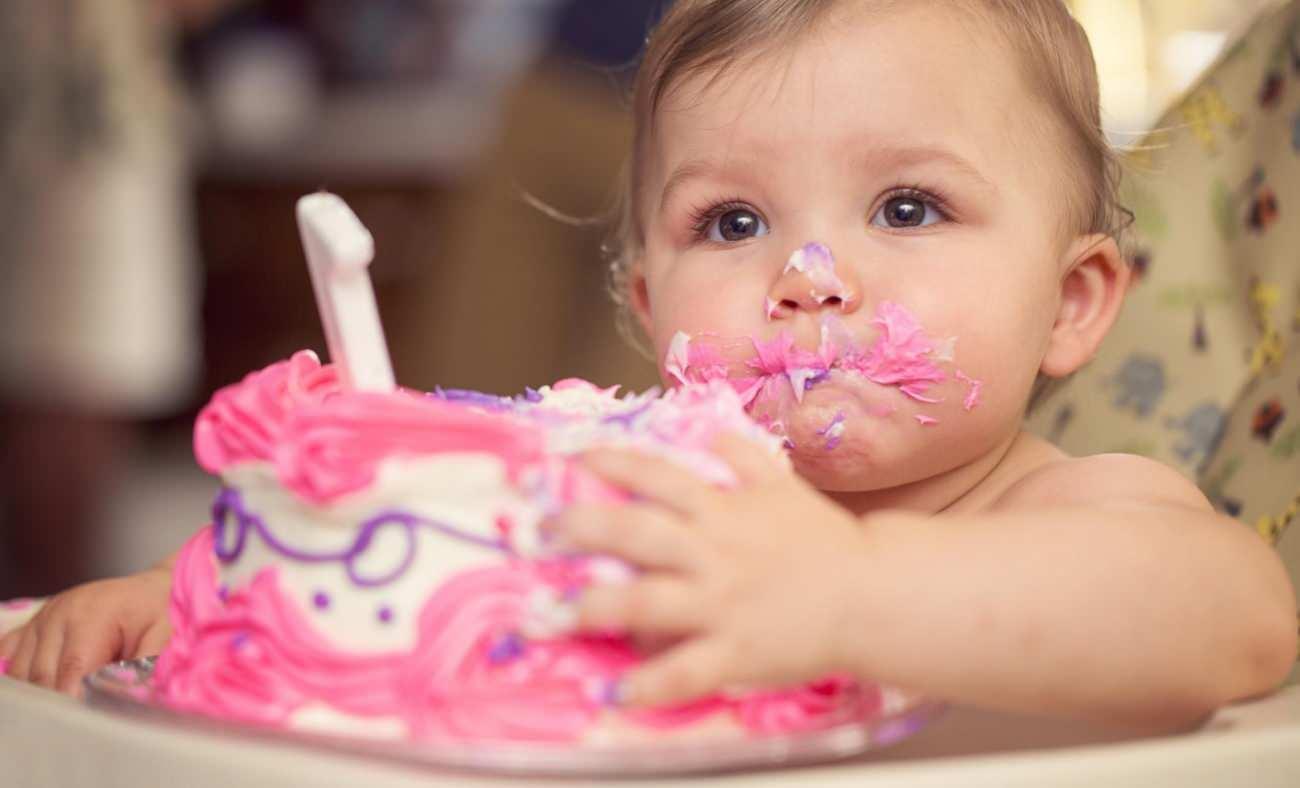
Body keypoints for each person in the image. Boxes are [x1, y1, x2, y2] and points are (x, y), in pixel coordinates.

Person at [4, 0, 1296, 733]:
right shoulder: (630, 499)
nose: (808, 275)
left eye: (907, 207)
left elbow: (1235, 619)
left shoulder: (1068, 512)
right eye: (731, 224)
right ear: (643, 306)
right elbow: (409, 569)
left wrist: (850, 593)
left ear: (1071, 304)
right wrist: (189, 597)